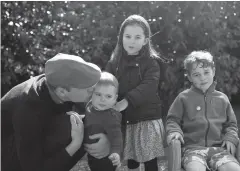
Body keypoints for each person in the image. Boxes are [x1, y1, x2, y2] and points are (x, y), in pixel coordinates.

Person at [1, 53, 111, 171]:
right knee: (75, 126)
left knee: (94, 125)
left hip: (35, 141)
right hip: (11, 159)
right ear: (62, 92)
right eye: (88, 88)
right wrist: (75, 144)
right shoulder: (29, 109)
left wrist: (107, 141)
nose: (93, 90)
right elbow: (33, 168)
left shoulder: (58, 83)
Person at [105, 14, 165, 171]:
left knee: (149, 158)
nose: (132, 41)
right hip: (126, 119)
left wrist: (127, 101)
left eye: (137, 37)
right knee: (132, 158)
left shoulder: (152, 62)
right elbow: (106, 84)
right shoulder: (114, 63)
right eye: (128, 36)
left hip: (147, 118)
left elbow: (149, 85)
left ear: (145, 40)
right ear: (121, 38)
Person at [166, 50, 240, 171]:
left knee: (234, 168)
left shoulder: (222, 99)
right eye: (196, 75)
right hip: (192, 151)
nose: (203, 78)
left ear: (213, 71)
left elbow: (231, 124)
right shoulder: (183, 98)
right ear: (189, 77)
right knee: (195, 169)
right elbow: (172, 120)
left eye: (206, 72)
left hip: (219, 150)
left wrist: (230, 138)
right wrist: (175, 131)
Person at [79, 71, 122, 171]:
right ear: (92, 94)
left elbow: (117, 137)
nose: (102, 99)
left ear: (115, 99)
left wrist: (116, 153)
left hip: (106, 158)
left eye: (108, 96)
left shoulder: (111, 117)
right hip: (92, 155)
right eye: (98, 94)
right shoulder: (90, 106)